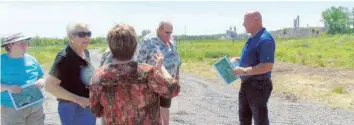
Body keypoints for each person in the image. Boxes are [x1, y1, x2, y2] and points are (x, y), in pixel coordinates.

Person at [88, 23, 181, 125]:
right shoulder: (148, 73)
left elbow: (96, 111)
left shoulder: (98, 77)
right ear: (136, 46)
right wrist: (161, 68)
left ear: (110, 47)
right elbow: (173, 89)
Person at [44, 23, 96, 125]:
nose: (87, 37)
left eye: (88, 34)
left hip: (87, 106)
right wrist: (78, 99)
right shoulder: (64, 57)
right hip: (72, 108)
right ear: (71, 37)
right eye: (81, 34)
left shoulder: (85, 52)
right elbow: (49, 86)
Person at [231, 11, 276, 125]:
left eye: (245, 20)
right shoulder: (253, 37)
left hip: (258, 86)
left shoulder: (265, 39)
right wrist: (238, 60)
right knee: (244, 118)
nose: (243, 24)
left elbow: (267, 66)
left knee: (260, 120)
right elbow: (253, 57)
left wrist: (244, 71)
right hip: (247, 85)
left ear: (255, 20)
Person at [135, 21, 182, 125]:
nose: (170, 35)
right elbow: (138, 63)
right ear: (159, 29)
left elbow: (177, 60)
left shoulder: (172, 40)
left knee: (165, 107)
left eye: (171, 33)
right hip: (152, 83)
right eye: (167, 33)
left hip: (167, 82)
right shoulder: (147, 41)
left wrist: (177, 77)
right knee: (153, 112)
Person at [1, 33, 45, 125]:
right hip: (12, 108)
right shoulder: (1, 61)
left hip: (35, 106)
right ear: (10, 45)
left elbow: (41, 76)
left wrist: (41, 80)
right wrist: (8, 87)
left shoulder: (32, 59)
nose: (25, 45)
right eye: (21, 42)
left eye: (26, 42)